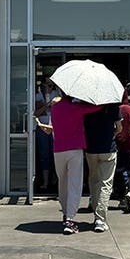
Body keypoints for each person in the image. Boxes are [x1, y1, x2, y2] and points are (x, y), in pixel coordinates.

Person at [45, 91, 99, 234]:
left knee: (62, 181)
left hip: (58, 149)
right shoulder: (77, 107)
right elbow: (96, 107)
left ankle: (65, 210)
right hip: (75, 149)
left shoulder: (55, 108)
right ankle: (70, 218)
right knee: (75, 183)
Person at [83, 97, 121, 233]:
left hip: (91, 148)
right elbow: (119, 127)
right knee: (106, 184)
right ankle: (100, 218)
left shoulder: (85, 105)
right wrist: (113, 133)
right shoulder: (112, 105)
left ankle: (95, 210)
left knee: (94, 180)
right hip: (108, 149)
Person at [33, 84, 55, 192]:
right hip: (43, 129)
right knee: (44, 154)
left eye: (50, 86)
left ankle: (55, 179)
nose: (48, 88)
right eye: (45, 85)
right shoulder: (38, 97)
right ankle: (45, 181)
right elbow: (35, 113)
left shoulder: (56, 96)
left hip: (55, 129)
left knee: (55, 154)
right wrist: (46, 105)